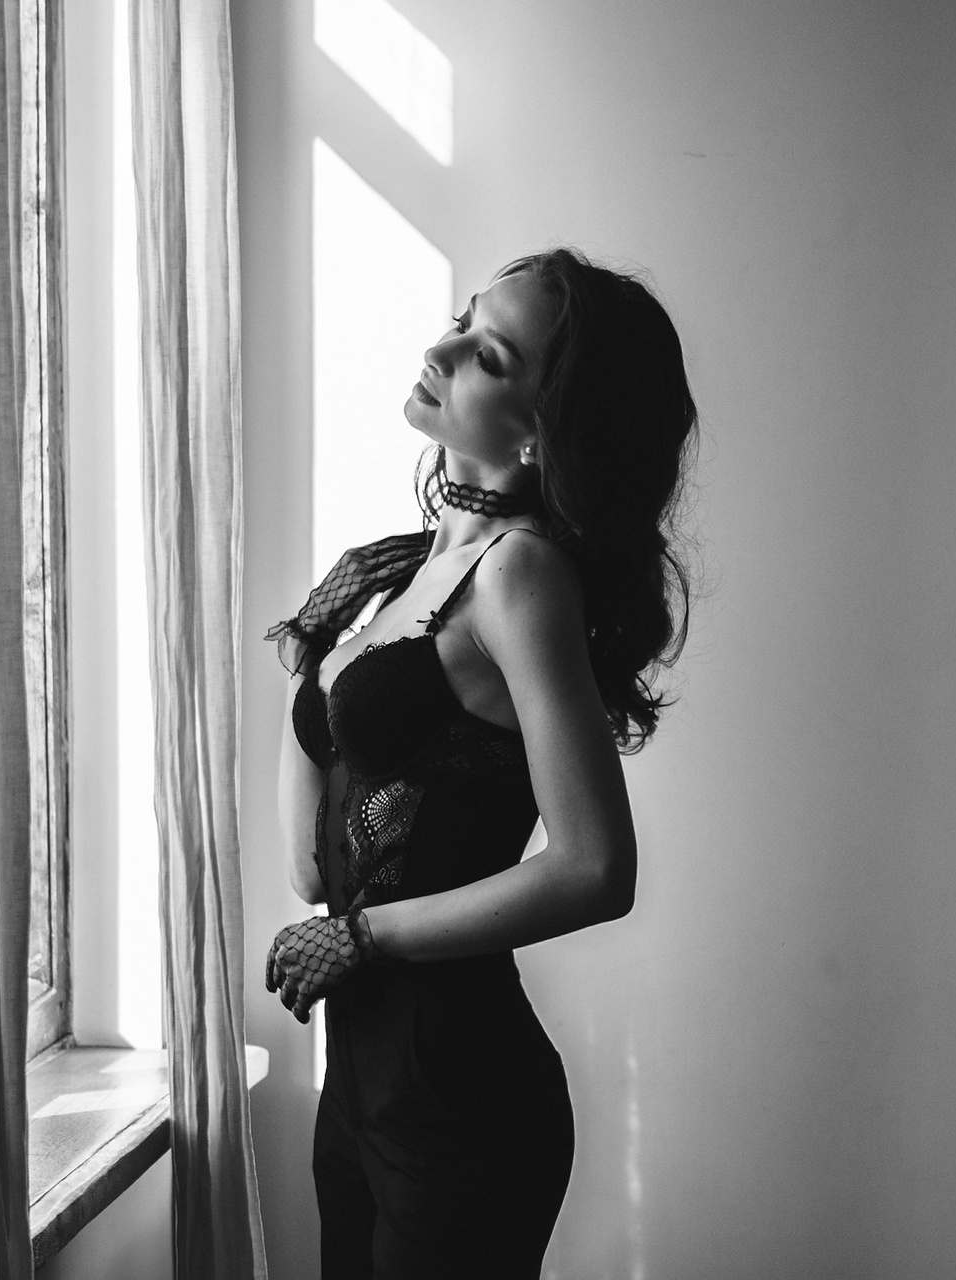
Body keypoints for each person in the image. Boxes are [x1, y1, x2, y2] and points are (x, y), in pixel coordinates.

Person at [264, 247, 696, 1280]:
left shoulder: (520, 575)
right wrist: (310, 663)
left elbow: (596, 867)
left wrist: (364, 937)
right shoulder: (406, 572)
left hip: (458, 1094)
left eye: (488, 355)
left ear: (544, 430)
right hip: (359, 1085)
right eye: (462, 320)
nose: (441, 348)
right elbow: (316, 873)